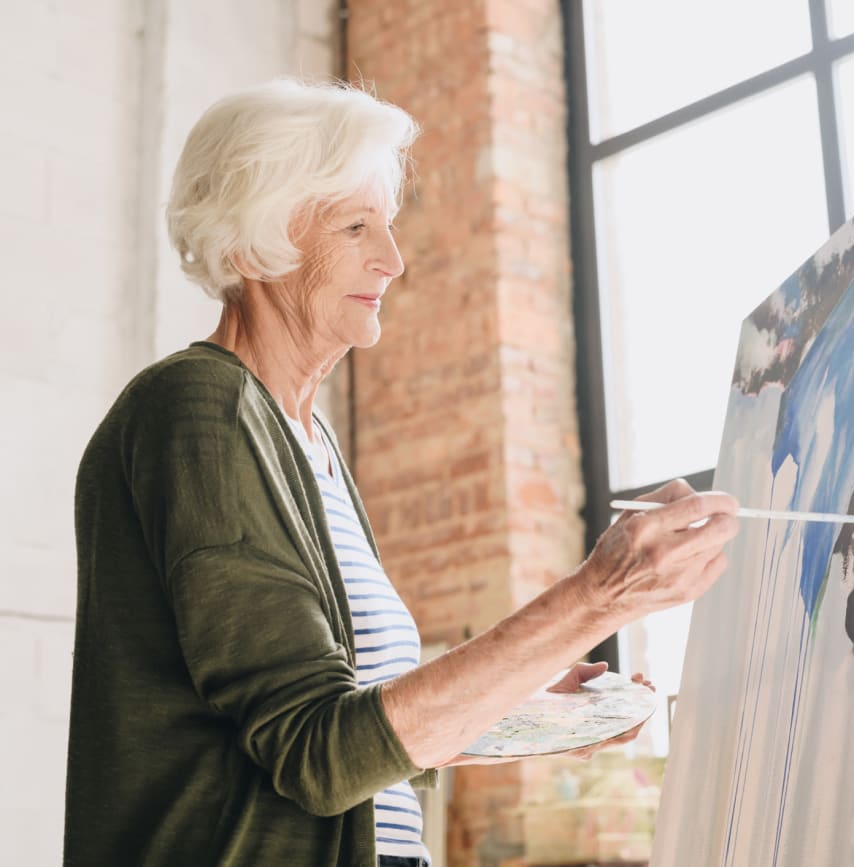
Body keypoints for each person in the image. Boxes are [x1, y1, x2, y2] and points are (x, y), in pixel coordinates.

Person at [64, 79, 739, 867]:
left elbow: (353, 742)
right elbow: (317, 755)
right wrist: (598, 596)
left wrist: (517, 710)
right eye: (356, 227)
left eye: (386, 225)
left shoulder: (304, 438)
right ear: (252, 248)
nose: (394, 259)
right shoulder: (200, 410)